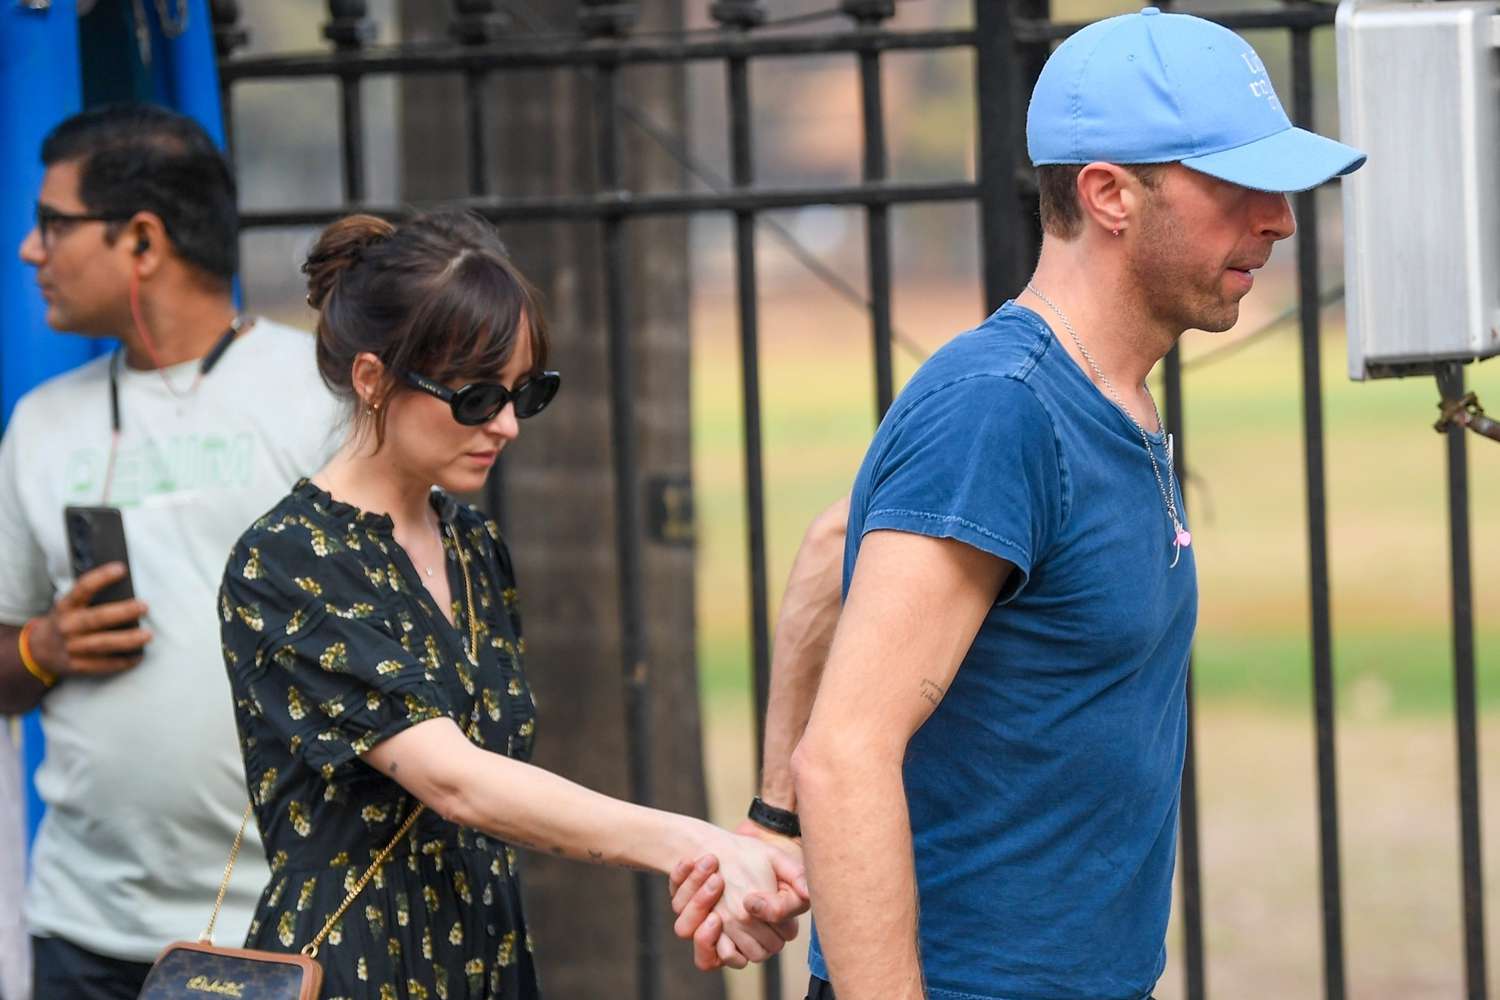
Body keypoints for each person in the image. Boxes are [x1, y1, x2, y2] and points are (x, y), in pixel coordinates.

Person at [670, 8, 1367, 999]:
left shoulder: (1106, 392)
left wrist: (772, 820)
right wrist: (797, 796)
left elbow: (842, 540)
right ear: (1109, 194)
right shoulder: (1003, 410)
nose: (1280, 218)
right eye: (1236, 186)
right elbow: (849, 754)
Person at [217, 210, 809, 998]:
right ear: (371, 380)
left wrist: (714, 870)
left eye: (525, 394)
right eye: (473, 398)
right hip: (351, 970)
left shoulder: (470, 542)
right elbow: (458, 781)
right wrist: (692, 844)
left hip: (484, 961)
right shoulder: (286, 558)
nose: (504, 424)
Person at [0, 103, 342, 998]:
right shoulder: (39, 426)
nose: (31, 251)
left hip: (278, 930)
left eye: (52, 225)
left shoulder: (321, 401)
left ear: (141, 240)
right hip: (79, 928)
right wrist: (42, 648)